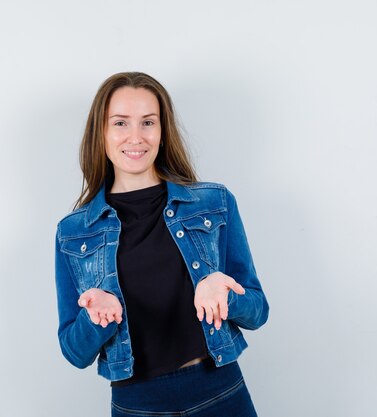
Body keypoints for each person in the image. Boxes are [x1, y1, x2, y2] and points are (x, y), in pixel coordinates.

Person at [54, 72, 269, 416]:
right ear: (102, 133)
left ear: (163, 130)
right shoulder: (75, 232)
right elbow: (74, 351)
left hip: (219, 394)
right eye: (121, 123)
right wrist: (98, 317)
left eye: (148, 122)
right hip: (137, 406)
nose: (135, 137)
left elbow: (258, 310)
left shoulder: (214, 203)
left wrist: (224, 293)